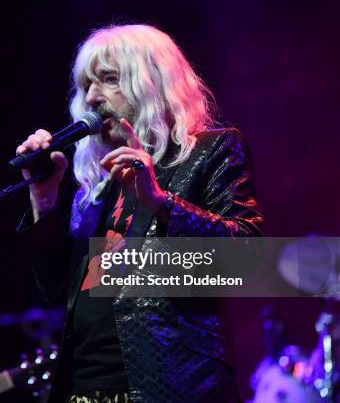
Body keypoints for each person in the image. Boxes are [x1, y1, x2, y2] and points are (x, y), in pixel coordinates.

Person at [16, 24, 264, 402]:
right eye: (86, 86)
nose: (92, 98)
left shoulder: (208, 152)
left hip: (172, 385)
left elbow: (247, 260)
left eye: (109, 80)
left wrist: (160, 201)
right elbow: (57, 292)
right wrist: (43, 199)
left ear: (151, 82)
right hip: (83, 388)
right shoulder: (97, 187)